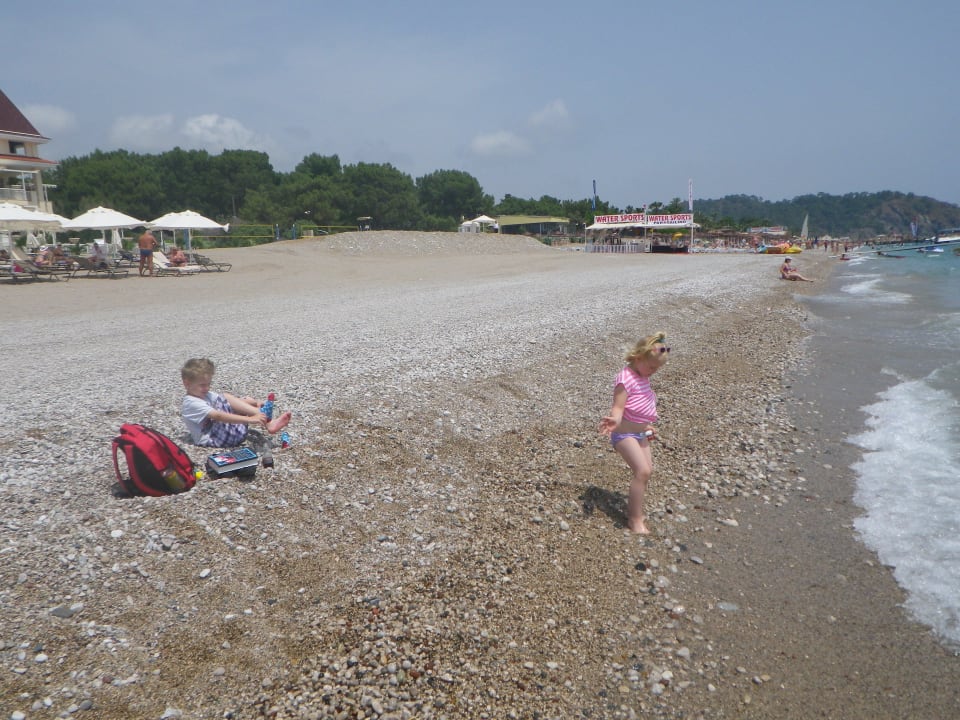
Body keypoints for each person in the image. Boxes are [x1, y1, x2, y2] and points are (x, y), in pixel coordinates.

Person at [598, 332, 670, 534]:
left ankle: (636, 509)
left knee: (648, 470)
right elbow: (619, 407)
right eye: (652, 367)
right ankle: (634, 519)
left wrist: (646, 426)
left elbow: (639, 405)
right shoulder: (625, 379)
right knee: (642, 471)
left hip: (640, 433)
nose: (653, 372)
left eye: (657, 369)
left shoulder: (643, 374)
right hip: (624, 434)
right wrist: (615, 419)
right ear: (638, 358)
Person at [181, 358, 292, 447]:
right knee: (225, 397)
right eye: (202, 385)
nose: (207, 388)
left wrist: (252, 402)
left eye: (208, 384)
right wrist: (250, 419)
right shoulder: (191, 403)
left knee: (240, 400)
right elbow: (218, 415)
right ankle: (265, 418)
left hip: (222, 432)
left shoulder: (205, 394)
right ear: (187, 383)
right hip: (214, 439)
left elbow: (232, 404)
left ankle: (264, 417)